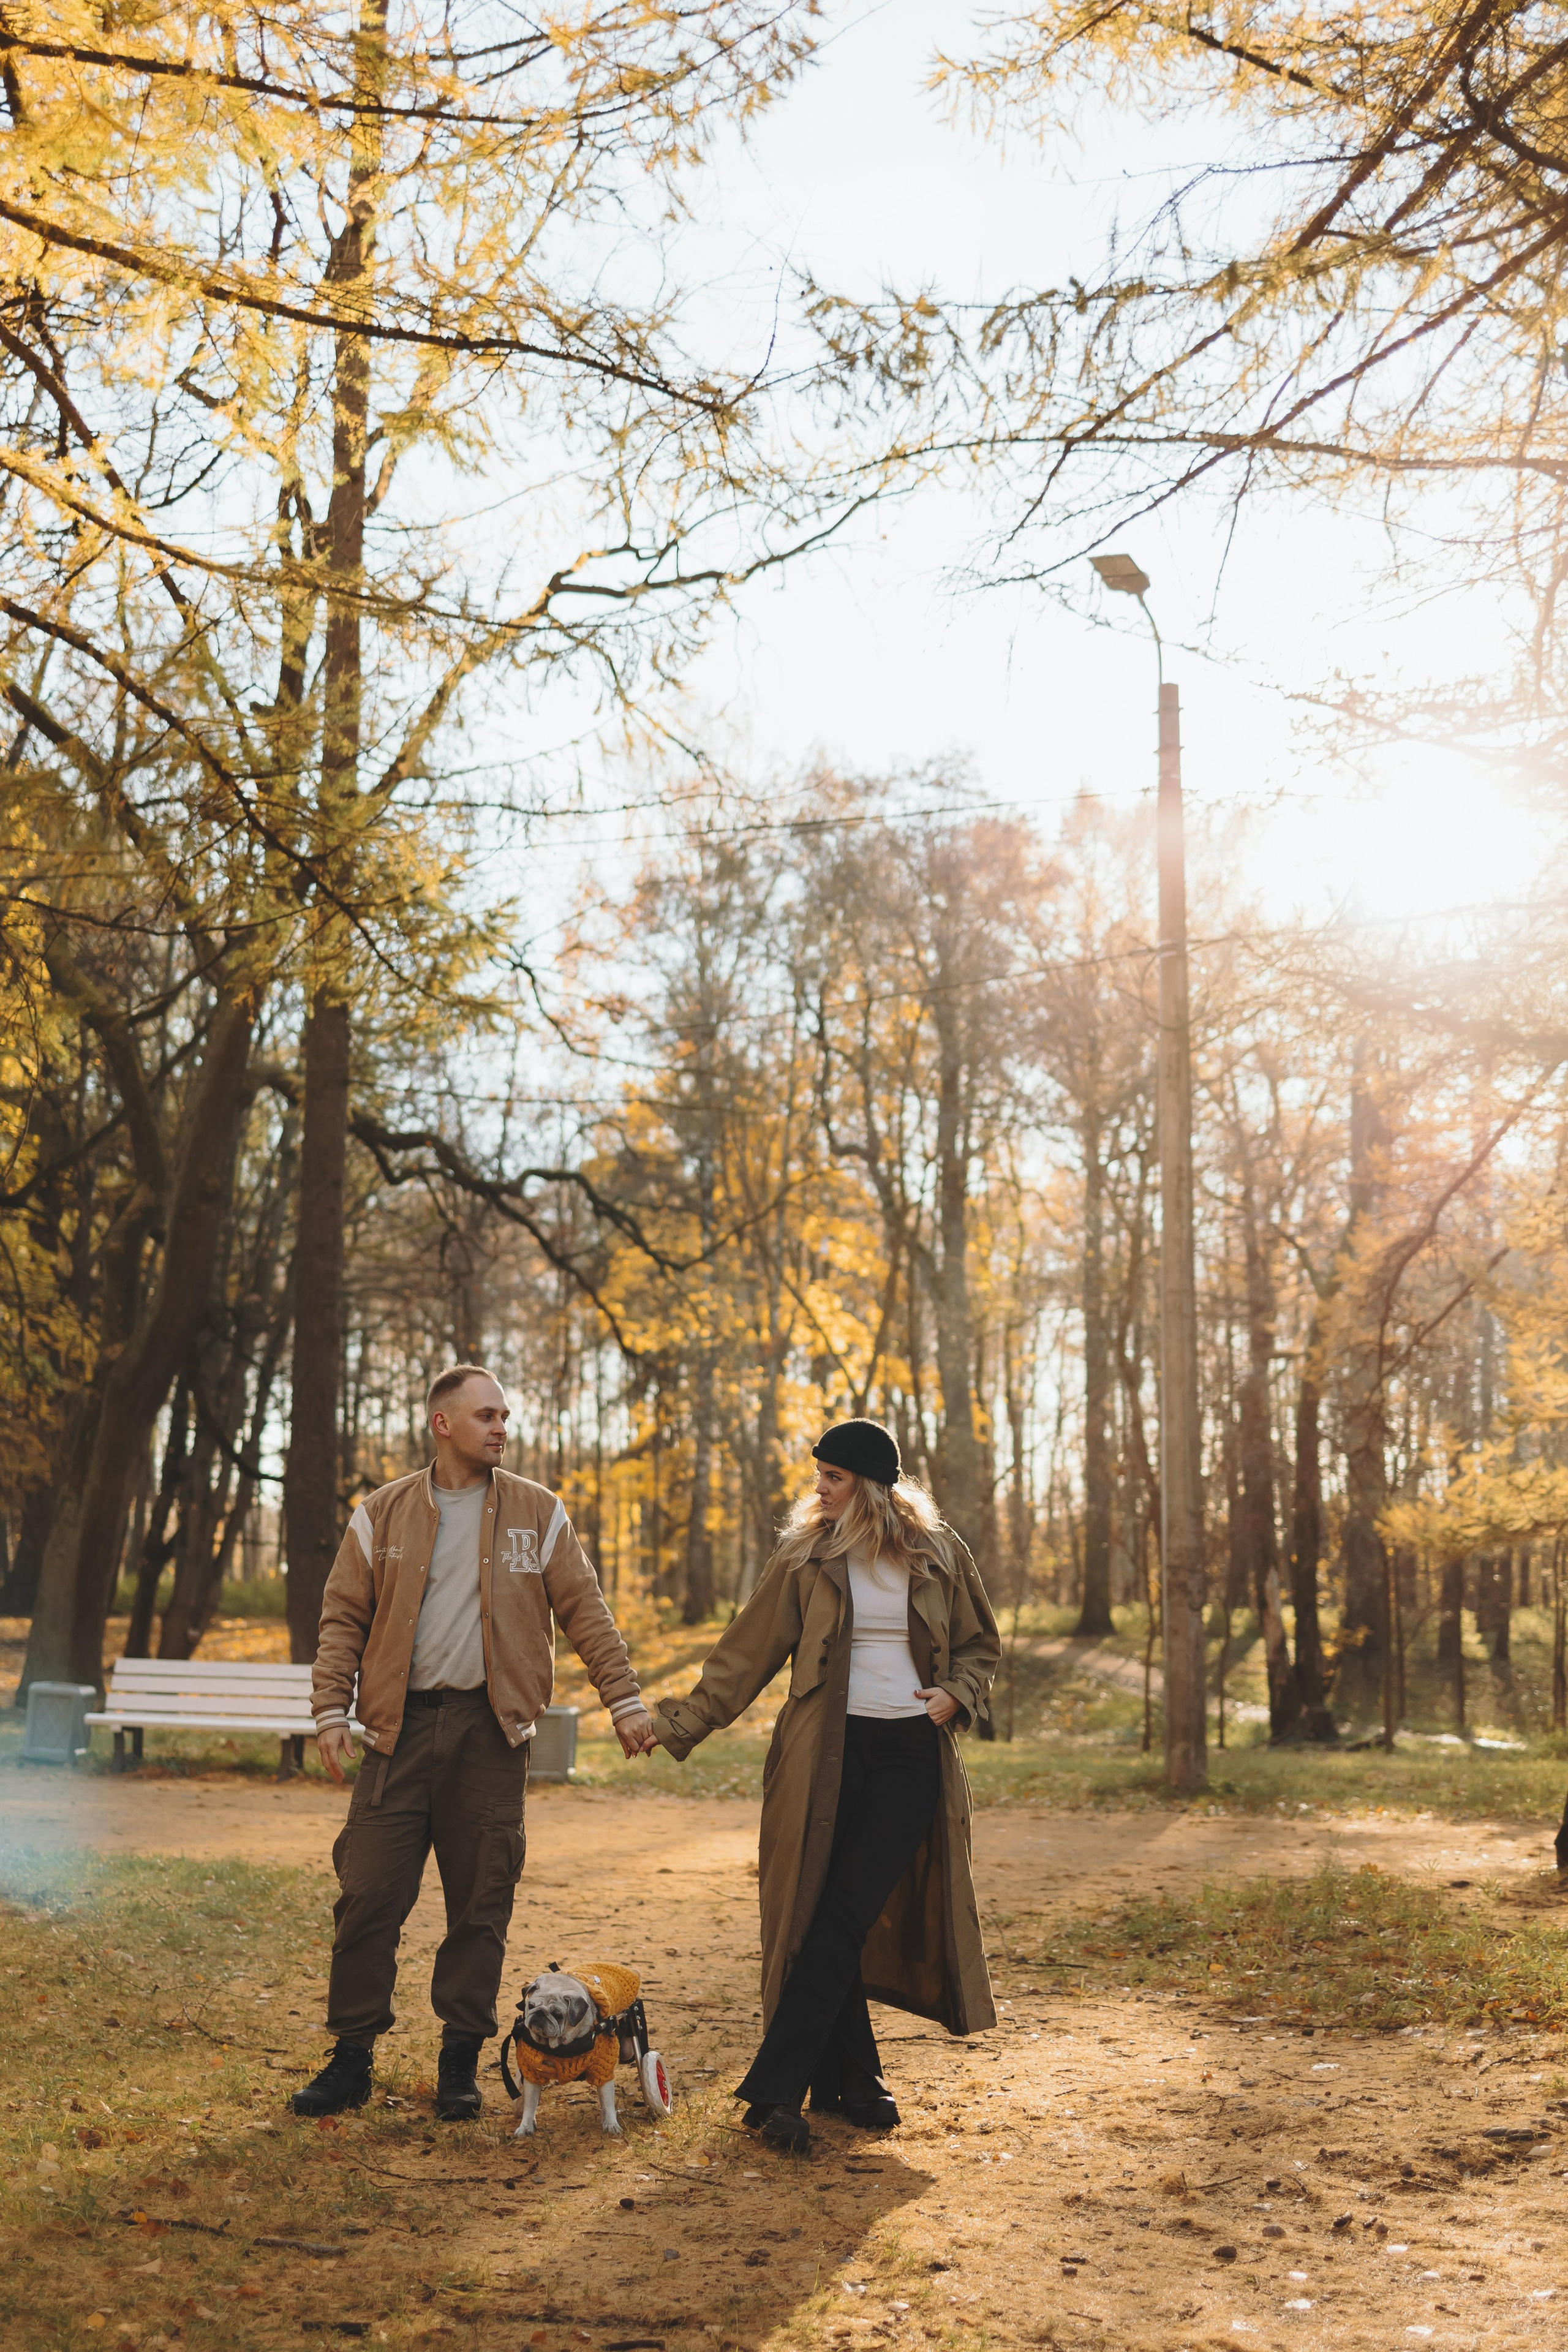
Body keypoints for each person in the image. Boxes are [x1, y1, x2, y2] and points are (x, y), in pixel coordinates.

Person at [295, 1364, 657, 2122]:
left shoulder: (537, 1511)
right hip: (396, 1734)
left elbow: (584, 1610)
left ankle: (459, 2058)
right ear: (443, 1424)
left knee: (481, 1904)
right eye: (486, 1415)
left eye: (504, 1417)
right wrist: (331, 1712)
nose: (500, 1428)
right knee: (366, 1897)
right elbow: (342, 1617)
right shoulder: (382, 1513)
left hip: (490, 1737)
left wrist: (622, 1699)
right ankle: (351, 2058)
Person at [650, 1417, 999, 2153]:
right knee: (818, 1914)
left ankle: (777, 2087)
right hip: (825, 1754)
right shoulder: (805, 1554)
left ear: (870, 1486)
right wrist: (679, 1723)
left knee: (845, 1912)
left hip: (910, 1755)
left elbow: (979, 1644)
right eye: (820, 1475)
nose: (820, 1488)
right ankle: (854, 2080)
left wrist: (957, 1693)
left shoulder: (938, 1551)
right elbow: (745, 1653)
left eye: (833, 1477)